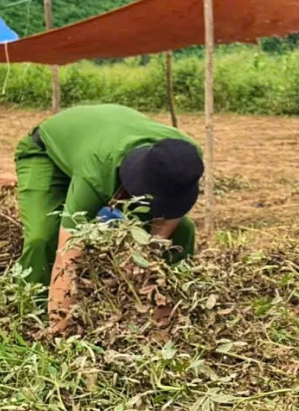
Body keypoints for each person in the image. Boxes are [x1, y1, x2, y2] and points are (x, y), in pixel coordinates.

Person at [12, 104, 203, 337]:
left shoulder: (186, 160)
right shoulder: (95, 174)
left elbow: (172, 217)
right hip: (45, 152)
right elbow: (68, 257)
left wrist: (146, 254)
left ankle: (170, 317)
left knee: (184, 230)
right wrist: (59, 333)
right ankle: (29, 313)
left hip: (102, 143)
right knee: (43, 236)